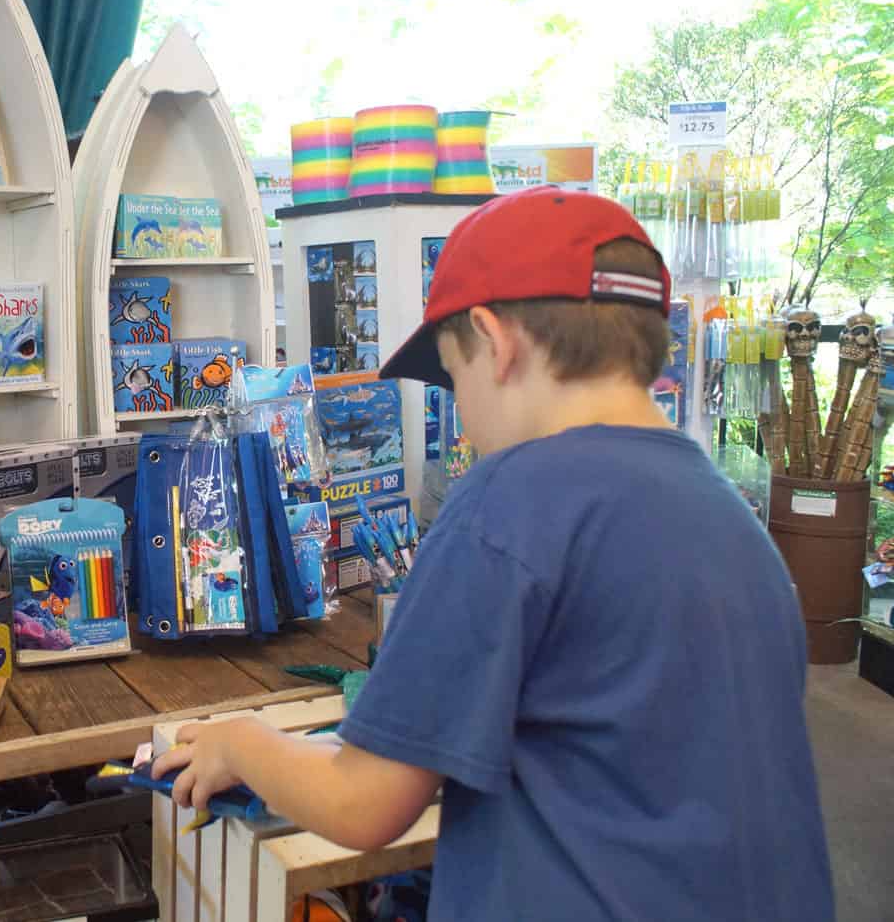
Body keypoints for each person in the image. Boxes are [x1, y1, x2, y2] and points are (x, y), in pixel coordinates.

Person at [152, 186, 834, 921]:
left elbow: (363, 804)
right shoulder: (732, 518)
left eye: (452, 376)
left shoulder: (506, 506)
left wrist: (243, 744)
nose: (464, 418)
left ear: (496, 340)